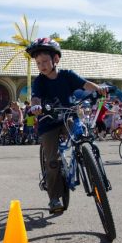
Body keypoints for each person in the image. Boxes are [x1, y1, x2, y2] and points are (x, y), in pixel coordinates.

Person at [26, 37, 106, 213]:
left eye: (45, 61)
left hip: (69, 117)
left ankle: (88, 161)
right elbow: (36, 96)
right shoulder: (39, 81)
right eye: (38, 63)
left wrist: (99, 88)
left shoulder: (67, 75)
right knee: (53, 161)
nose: (42, 66)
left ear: (56, 59)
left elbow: (86, 84)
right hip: (48, 123)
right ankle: (54, 198)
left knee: (81, 136)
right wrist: (36, 105)